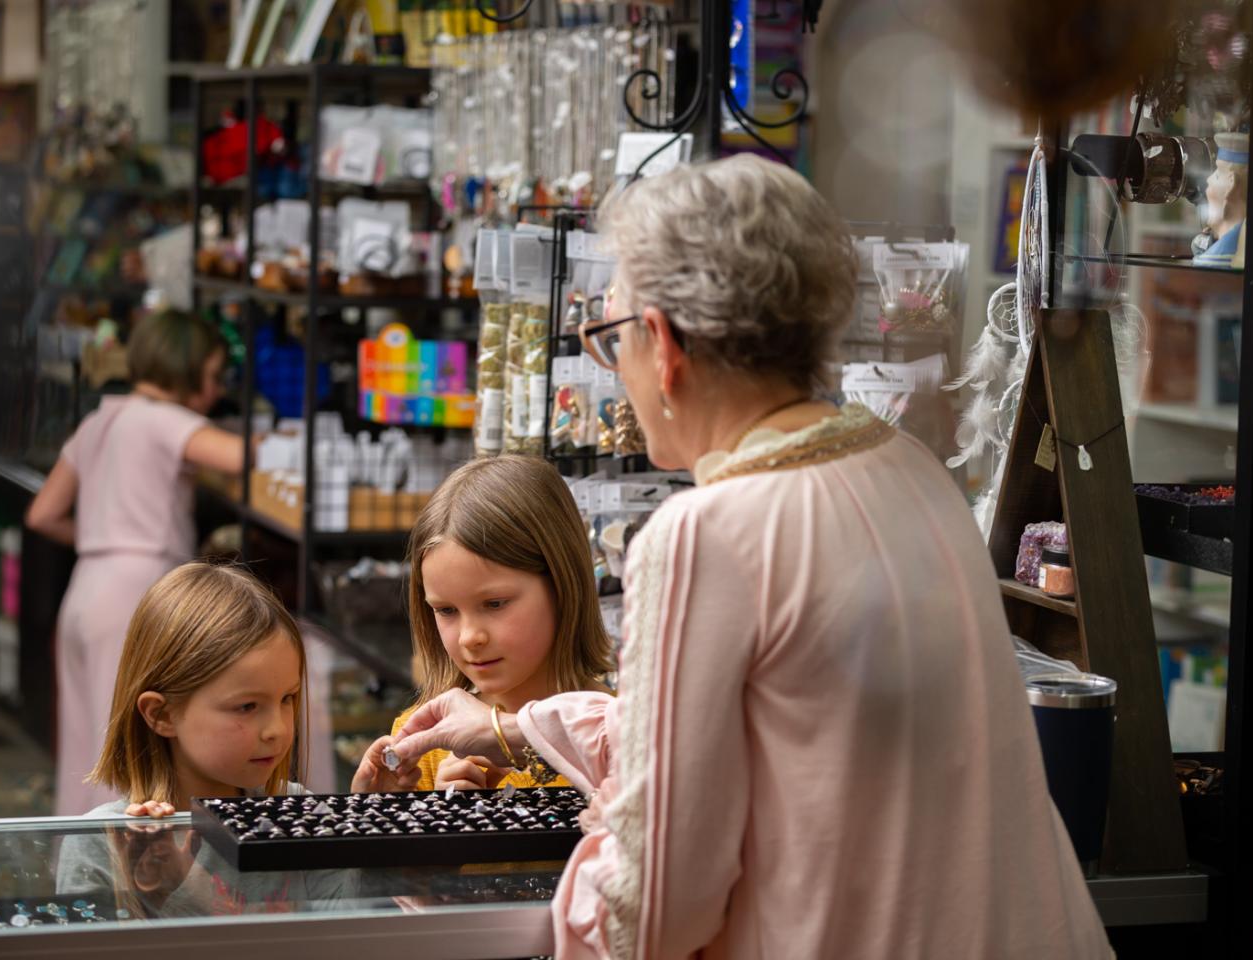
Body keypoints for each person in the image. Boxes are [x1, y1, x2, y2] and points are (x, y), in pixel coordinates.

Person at [389, 155, 1112, 958]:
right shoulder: (912, 473)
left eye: (610, 340)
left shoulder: (706, 534)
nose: (617, 373)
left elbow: (659, 902)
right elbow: (791, 734)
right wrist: (520, 727)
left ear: (660, 345)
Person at [27, 310, 249, 815]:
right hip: (137, 588)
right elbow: (244, 458)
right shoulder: (165, 419)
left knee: (87, 742)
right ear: (187, 368)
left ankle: (82, 873)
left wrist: (103, 537)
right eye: (214, 375)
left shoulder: (99, 420)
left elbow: (42, 513)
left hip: (86, 585)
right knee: (129, 747)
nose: (216, 391)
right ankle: (124, 871)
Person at [53, 563, 350, 916]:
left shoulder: (301, 814)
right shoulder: (100, 846)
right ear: (161, 715)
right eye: (247, 706)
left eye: (287, 698)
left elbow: (346, 940)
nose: (278, 729)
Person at [352, 455, 613, 795]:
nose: (470, 637)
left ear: (563, 585)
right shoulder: (420, 744)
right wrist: (391, 819)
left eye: (494, 604)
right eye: (446, 610)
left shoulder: (618, 737)